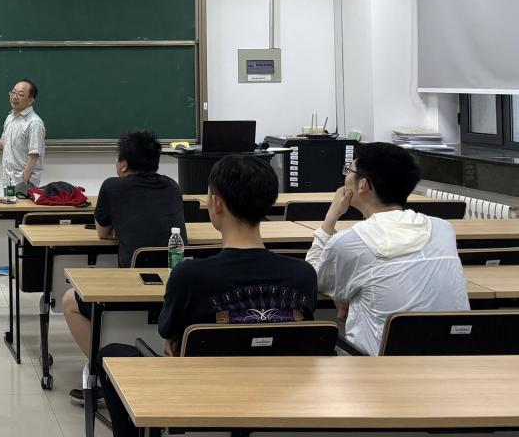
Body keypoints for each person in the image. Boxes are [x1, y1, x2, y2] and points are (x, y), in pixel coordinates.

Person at [97, 154, 318, 437]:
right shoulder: (303, 274)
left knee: (111, 355)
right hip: (286, 405)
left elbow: (167, 333)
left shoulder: (190, 275)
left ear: (216, 203)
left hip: (201, 405)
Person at [305, 141, 469, 355]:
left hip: (379, 366)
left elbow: (312, 279)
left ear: (363, 185)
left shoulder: (350, 241)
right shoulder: (443, 229)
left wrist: (331, 217)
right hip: (452, 359)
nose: (345, 177)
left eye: (349, 171)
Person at [62, 130, 186, 405]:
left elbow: (102, 233)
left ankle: (106, 373)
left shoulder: (112, 187)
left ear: (123, 164)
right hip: (175, 291)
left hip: (131, 295)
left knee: (70, 300)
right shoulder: (172, 186)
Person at [0, 78, 46, 276]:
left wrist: (25, 178)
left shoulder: (34, 123)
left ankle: (21, 265)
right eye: (13, 92)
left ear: (31, 100)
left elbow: (34, 154)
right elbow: (6, 144)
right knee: (11, 219)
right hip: (9, 179)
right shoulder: (11, 118)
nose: (15, 97)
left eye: (20, 94)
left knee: (21, 221)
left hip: (22, 181)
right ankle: (10, 261)